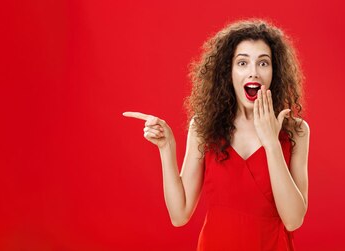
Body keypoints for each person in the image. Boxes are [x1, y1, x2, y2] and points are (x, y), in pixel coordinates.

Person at [123, 19, 309, 250]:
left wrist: (271, 143)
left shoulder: (296, 131)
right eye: (242, 63)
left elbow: (293, 220)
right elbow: (179, 215)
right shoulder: (204, 126)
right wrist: (166, 147)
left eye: (263, 63)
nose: (253, 72)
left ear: (275, 71)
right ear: (228, 71)